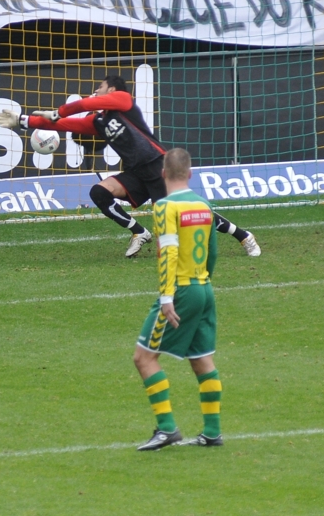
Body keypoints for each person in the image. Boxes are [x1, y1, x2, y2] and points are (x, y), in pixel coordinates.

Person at [0, 74, 261, 258]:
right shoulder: (98, 123)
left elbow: (84, 106)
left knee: (186, 216)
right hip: (137, 172)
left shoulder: (123, 99)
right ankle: (139, 232)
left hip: (159, 167)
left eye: (99, 87)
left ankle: (243, 235)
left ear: (111, 89)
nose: (96, 91)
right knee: (99, 192)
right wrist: (22, 120)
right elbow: (61, 125)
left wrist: (62, 110)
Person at [133, 148, 224, 450]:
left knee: (144, 358)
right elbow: (212, 251)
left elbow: (168, 251)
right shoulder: (203, 205)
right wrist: (203, 281)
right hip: (203, 287)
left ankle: (167, 428)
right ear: (190, 173)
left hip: (181, 290)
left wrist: (167, 296)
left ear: (162, 174)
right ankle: (212, 432)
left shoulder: (164, 206)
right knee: (201, 359)